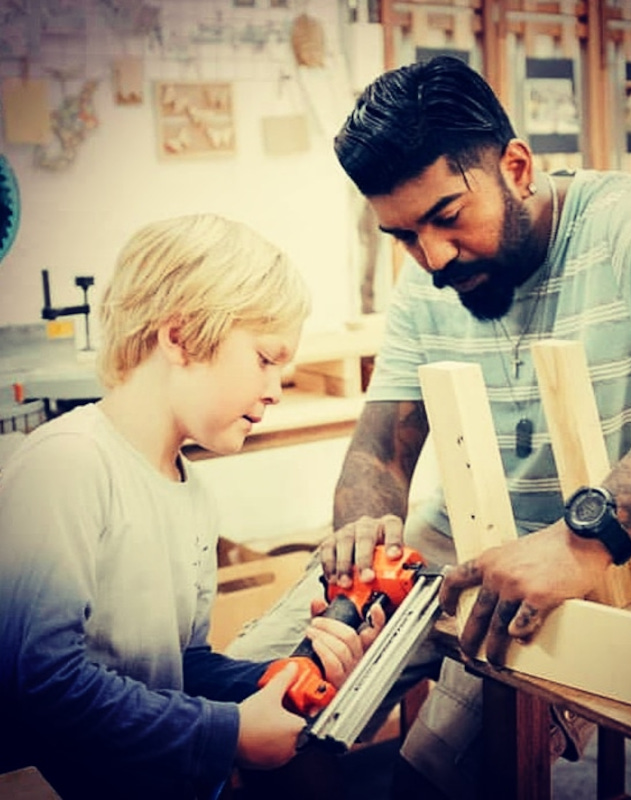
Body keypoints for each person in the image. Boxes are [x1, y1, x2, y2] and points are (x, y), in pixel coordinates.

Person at [227, 56, 631, 799]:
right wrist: (364, 538)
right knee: (241, 704)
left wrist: (584, 536)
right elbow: (381, 444)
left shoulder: (627, 224)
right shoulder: (428, 278)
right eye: (402, 235)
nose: (430, 257)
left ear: (518, 167)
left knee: (428, 778)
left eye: (446, 217)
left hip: (614, 553)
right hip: (462, 542)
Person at [0, 214, 386, 800]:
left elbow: (181, 668)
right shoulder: (68, 464)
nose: (276, 387)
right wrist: (226, 735)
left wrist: (272, 676)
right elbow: (43, 684)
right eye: (264, 358)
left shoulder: (193, 494)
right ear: (179, 338)